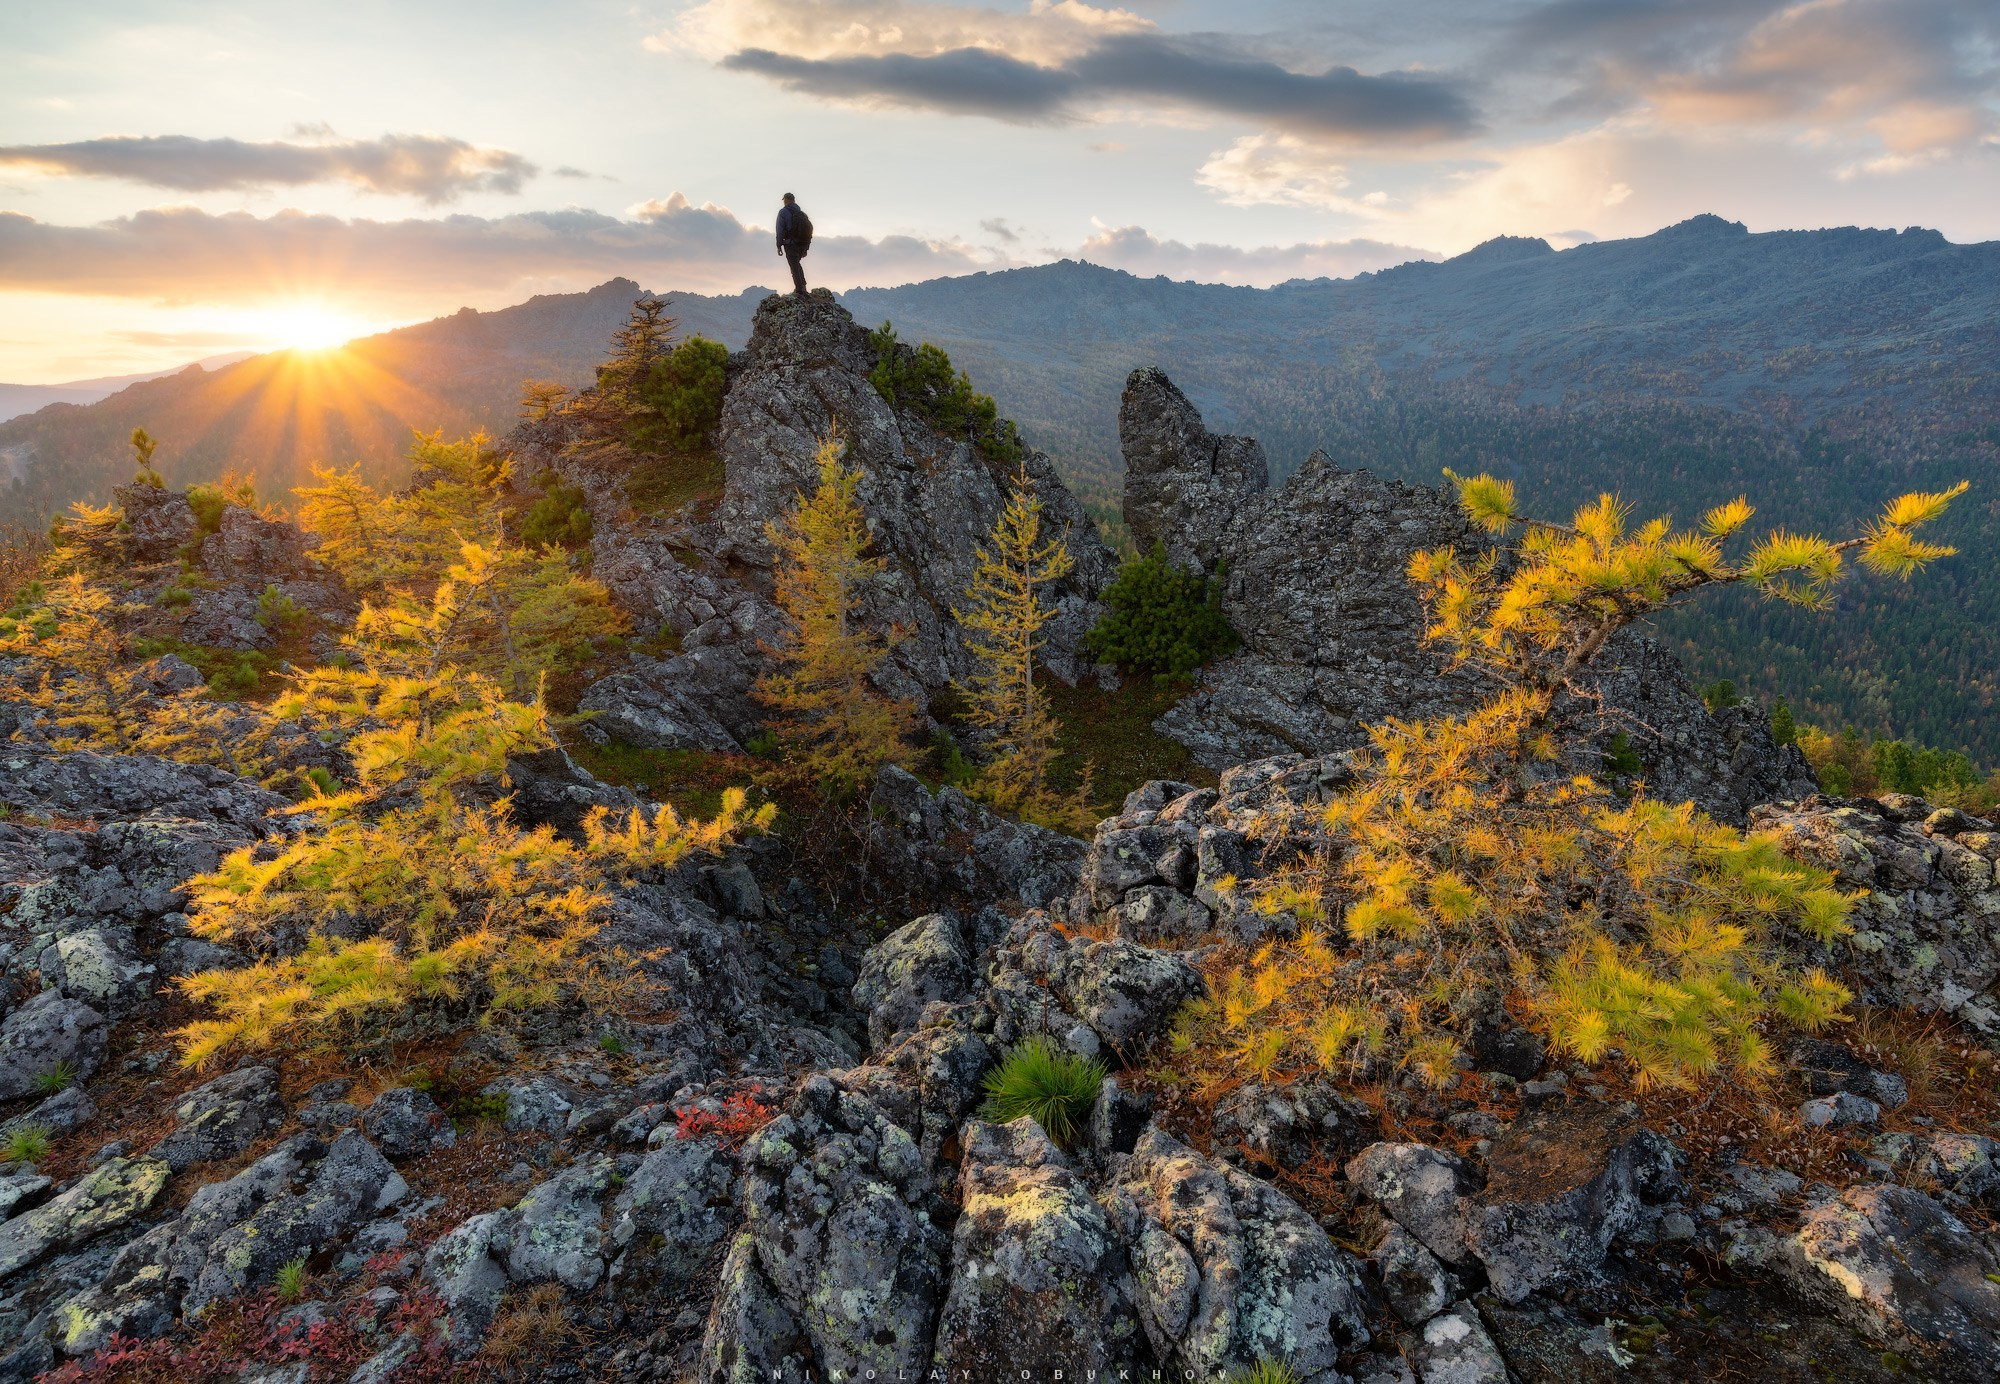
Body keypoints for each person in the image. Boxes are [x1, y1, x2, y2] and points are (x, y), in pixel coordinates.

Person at [775, 193, 813, 295]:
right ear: (794, 201)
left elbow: (780, 230)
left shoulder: (783, 212)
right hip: (802, 244)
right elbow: (809, 231)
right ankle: (803, 286)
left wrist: (779, 245)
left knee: (794, 266)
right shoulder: (802, 214)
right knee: (797, 264)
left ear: (786, 200)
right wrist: (806, 248)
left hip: (790, 244)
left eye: (784, 200)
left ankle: (800, 290)